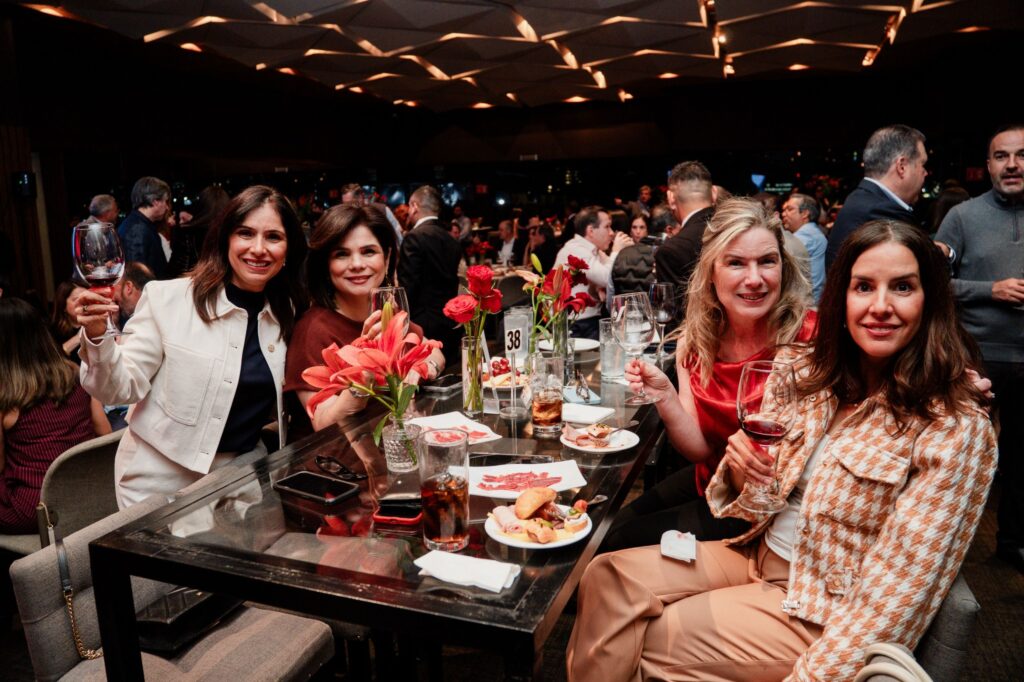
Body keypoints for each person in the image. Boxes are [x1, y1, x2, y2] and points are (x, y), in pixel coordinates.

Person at [568, 219, 997, 682]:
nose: (880, 306)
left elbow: (900, 592)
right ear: (842, 298)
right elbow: (752, 504)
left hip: (820, 603)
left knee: (646, 635)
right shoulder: (806, 372)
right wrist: (740, 471)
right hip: (754, 550)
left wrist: (814, 675)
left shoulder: (953, 426)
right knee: (606, 575)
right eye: (863, 287)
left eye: (903, 287)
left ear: (930, 300)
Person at [76, 185, 308, 508]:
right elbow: (117, 389)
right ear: (225, 239)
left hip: (238, 484)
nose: (258, 248)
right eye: (245, 233)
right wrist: (97, 336)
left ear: (288, 249)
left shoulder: (288, 313)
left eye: (273, 237)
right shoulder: (169, 299)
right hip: (158, 486)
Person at [603, 198, 814, 552]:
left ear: (783, 266)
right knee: (607, 528)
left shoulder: (809, 338)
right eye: (736, 263)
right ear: (711, 272)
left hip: (765, 504)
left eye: (767, 261)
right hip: (712, 476)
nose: (754, 279)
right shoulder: (697, 341)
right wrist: (666, 396)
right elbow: (699, 448)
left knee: (619, 542)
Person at [934, 123, 1024, 573]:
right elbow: (934, 284)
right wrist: (991, 289)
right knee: (961, 456)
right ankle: (944, 551)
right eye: (1002, 156)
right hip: (976, 356)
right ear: (987, 165)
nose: (1012, 164)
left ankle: (1012, 542)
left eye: (1021, 155)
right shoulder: (962, 217)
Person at [284, 203, 444, 441]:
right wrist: (364, 366)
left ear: (387, 258)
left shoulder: (386, 315)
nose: (357, 264)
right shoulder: (313, 329)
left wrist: (423, 368)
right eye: (342, 254)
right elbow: (323, 423)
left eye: (368, 251)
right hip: (331, 457)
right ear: (326, 265)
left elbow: (435, 351)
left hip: (388, 447)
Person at [0, 298, 110, 532]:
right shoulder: (75, 373)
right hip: (88, 495)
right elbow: (105, 433)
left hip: (35, 509)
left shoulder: (6, 395)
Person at [826, 125, 928, 268]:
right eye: (922, 164)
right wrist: (949, 253)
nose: (925, 172)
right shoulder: (882, 211)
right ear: (902, 167)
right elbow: (928, 269)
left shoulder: (862, 198)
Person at [398, 185, 462, 365]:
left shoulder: (414, 237)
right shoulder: (451, 240)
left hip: (422, 326)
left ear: (414, 206)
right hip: (450, 322)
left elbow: (408, 288)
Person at [553, 205, 632, 339]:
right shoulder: (575, 250)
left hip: (587, 321)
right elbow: (607, 278)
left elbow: (612, 276)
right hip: (576, 324)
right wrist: (616, 251)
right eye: (607, 227)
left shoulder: (593, 251)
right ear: (590, 231)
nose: (611, 233)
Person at [656, 161, 716, 317]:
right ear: (714, 193)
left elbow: (677, 320)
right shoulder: (737, 230)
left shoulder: (672, 250)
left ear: (671, 198)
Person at [168, 185, 230, 278]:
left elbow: (175, 270)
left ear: (200, 206)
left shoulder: (186, 233)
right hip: (224, 283)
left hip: (191, 282)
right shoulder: (230, 233)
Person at [118, 176, 173, 279]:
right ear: (155, 201)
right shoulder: (137, 229)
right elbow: (137, 276)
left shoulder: (141, 223)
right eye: (166, 201)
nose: (167, 207)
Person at [781, 193, 827, 303]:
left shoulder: (806, 235)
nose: (783, 214)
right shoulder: (812, 232)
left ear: (805, 214)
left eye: (789, 209)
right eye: (784, 210)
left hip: (806, 304)